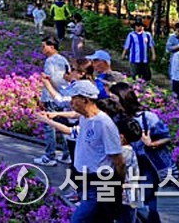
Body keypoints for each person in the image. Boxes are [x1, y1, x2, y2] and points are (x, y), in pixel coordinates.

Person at [37, 79, 125, 223]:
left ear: (85, 100)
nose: (71, 102)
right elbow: (73, 129)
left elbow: (119, 161)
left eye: (74, 98)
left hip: (100, 182)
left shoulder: (104, 124)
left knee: (79, 219)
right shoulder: (85, 118)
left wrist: (120, 184)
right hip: (84, 179)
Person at [111, 82, 170, 223]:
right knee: (129, 202)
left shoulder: (147, 117)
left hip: (146, 164)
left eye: (114, 98)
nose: (111, 101)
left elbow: (166, 137)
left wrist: (151, 143)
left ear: (123, 98)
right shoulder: (116, 118)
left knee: (146, 202)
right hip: (127, 163)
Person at [35, 37, 71, 167]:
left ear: (51, 47)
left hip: (52, 97)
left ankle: (49, 155)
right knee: (64, 126)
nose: (42, 49)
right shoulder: (63, 59)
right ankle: (67, 154)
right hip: (63, 97)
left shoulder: (50, 62)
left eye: (44, 46)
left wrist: (43, 99)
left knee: (49, 126)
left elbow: (48, 81)